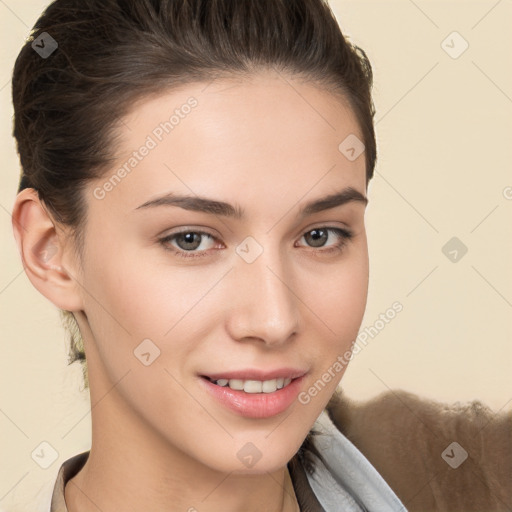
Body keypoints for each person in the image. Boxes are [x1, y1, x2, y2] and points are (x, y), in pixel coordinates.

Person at [11, 1, 507, 511]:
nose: (274, 320)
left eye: (319, 236)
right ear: (50, 251)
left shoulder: (470, 481)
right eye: (191, 239)